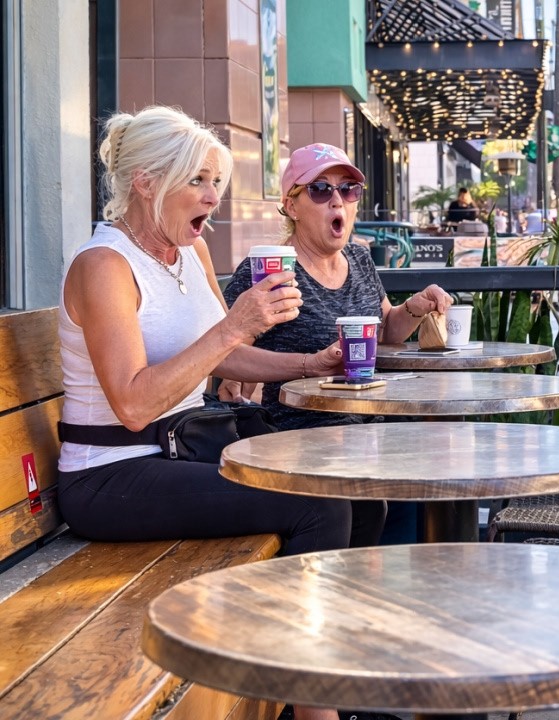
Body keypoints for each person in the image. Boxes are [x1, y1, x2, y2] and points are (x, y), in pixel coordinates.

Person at [59, 108, 376, 720]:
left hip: (183, 447)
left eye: (218, 183)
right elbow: (132, 403)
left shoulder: (190, 252)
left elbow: (231, 353)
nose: (213, 197)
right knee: (319, 503)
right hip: (111, 474)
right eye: (198, 181)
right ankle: (311, 708)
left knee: (341, 478)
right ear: (146, 181)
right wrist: (234, 326)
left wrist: (314, 364)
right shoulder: (104, 266)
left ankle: (331, 672)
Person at [221, 143, 452, 432]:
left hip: (374, 423)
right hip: (303, 431)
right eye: (319, 189)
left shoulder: (359, 259)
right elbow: (225, 353)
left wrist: (413, 308)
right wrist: (309, 365)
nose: (337, 200)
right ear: (292, 207)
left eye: (348, 188)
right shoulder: (270, 270)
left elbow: (384, 330)